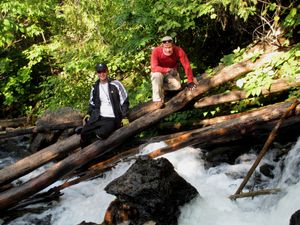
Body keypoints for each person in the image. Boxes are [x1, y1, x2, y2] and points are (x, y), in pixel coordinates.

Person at [78, 63, 129, 148]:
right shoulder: (95, 87)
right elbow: (92, 103)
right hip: (98, 116)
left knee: (102, 133)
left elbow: (125, 101)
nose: (102, 74)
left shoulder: (116, 84)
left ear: (107, 71)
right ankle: (83, 151)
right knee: (83, 133)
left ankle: (93, 136)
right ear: (97, 73)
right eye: (99, 72)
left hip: (113, 117)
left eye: (103, 71)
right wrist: (88, 114)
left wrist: (125, 117)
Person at [150, 35, 197, 107]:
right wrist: (167, 70)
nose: (168, 50)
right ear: (162, 46)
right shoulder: (156, 51)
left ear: (173, 46)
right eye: (166, 48)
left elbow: (186, 65)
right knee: (156, 75)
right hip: (159, 72)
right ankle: (157, 100)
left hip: (171, 73)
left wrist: (190, 81)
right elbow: (154, 68)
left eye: (170, 47)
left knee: (177, 86)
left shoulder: (178, 50)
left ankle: (163, 88)